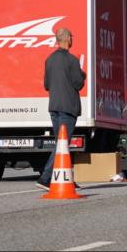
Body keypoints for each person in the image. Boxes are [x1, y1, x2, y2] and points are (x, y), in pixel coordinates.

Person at [37, 28, 86, 190]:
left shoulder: (49, 59)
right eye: (71, 37)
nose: (72, 39)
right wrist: (82, 74)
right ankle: (45, 178)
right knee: (62, 144)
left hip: (54, 106)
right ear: (67, 39)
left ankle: (68, 177)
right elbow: (78, 84)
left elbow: (46, 85)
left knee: (60, 143)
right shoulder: (72, 61)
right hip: (68, 107)